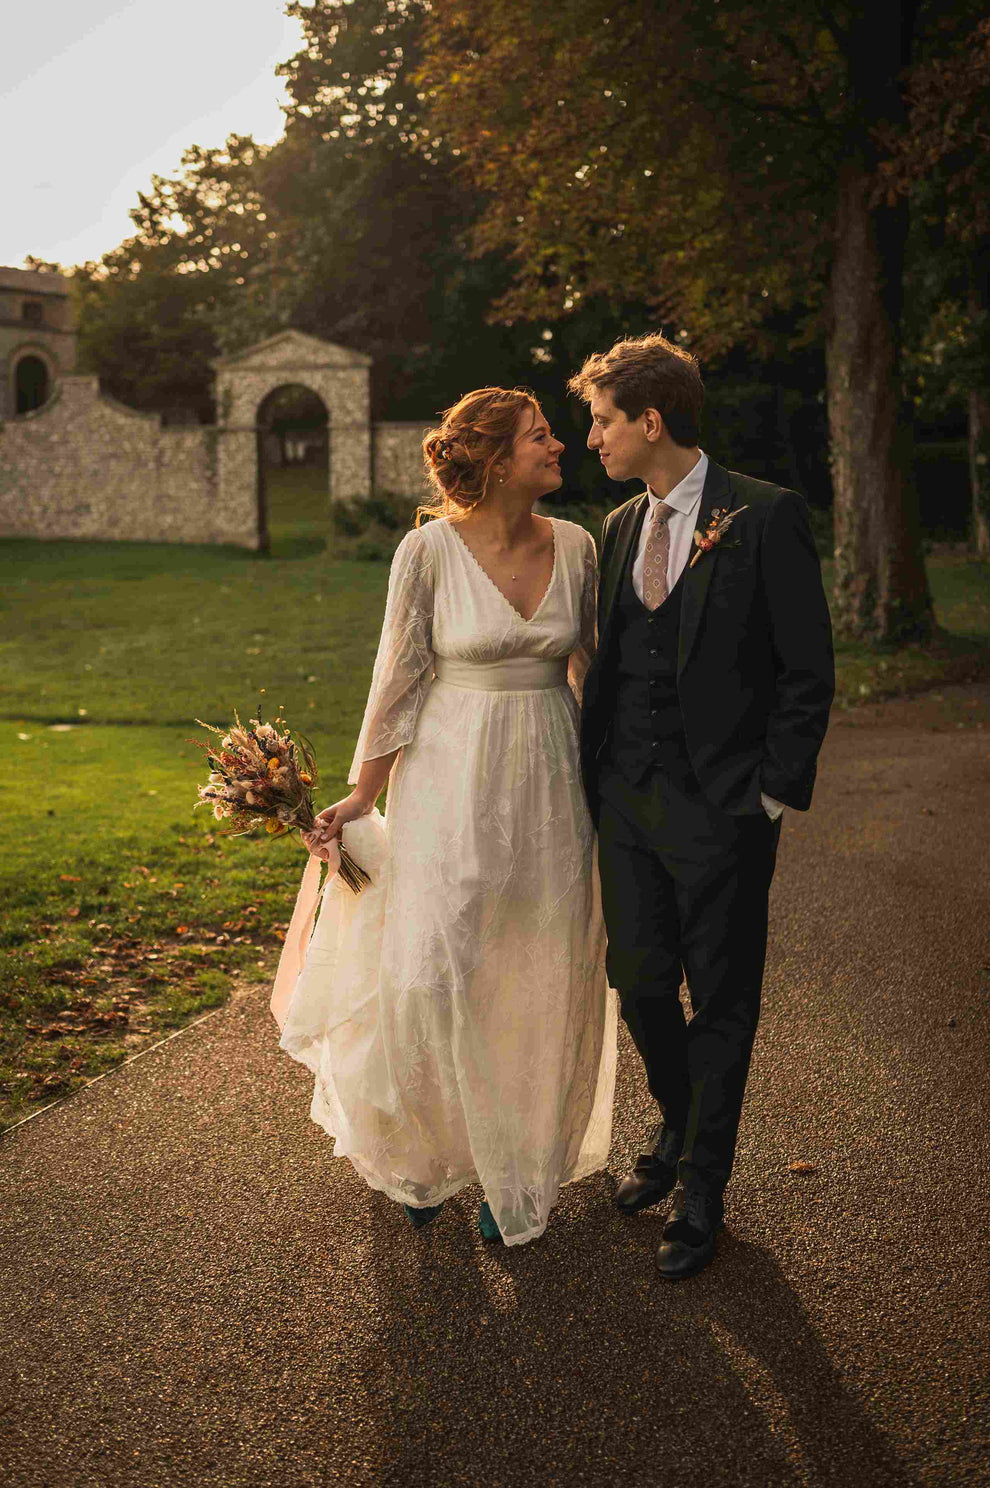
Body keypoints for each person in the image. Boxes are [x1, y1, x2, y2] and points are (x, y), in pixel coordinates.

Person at [277, 387, 616, 1247]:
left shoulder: (577, 546)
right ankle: (420, 1155)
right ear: (496, 460)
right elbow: (397, 679)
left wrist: (618, 780)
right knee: (437, 970)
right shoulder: (426, 552)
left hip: (548, 779)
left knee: (542, 967)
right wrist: (361, 792)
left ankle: (517, 1172)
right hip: (447, 779)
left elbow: (595, 676)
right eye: (541, 437)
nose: (561, 446)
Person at [570, 333, 834, 1280]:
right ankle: (679, 1123)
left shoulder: (764, 516)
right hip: (627, 802)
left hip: (723, 806)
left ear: (651, 421)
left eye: (602, 420)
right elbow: (616, 661)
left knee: (722, 999)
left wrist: (766, 792)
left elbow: (807, 671)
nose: (591, 438)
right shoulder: (617, 527)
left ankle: (704, 1188)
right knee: (639, 980)